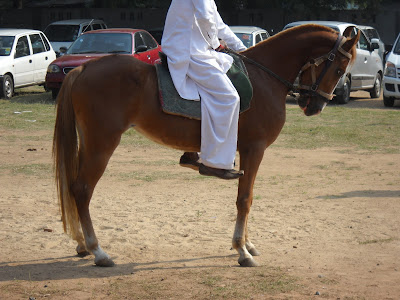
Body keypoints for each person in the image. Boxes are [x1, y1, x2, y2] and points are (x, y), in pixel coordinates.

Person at [161, 0, 247, 180]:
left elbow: (219, 24)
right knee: (230, 98)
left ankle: (191, 151)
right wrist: (216, 44)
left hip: (198, 50)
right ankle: (214, 163)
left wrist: (244, 50)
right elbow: (206, 18)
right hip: (190, 52)